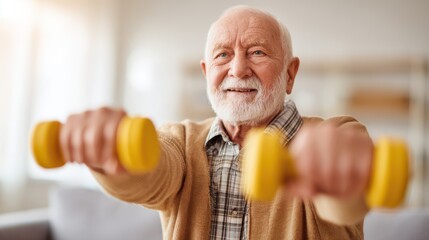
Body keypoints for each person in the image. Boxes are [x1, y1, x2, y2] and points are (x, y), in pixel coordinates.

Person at [59, 5, 373, 240]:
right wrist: (115, 155)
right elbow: (152, 172)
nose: (238, 69)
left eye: (257, 52)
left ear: (290, 73)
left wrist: (335, 182)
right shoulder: (179, 142)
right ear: (207, 72)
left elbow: (344, 205)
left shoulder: (338, 136)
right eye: (222, 56)